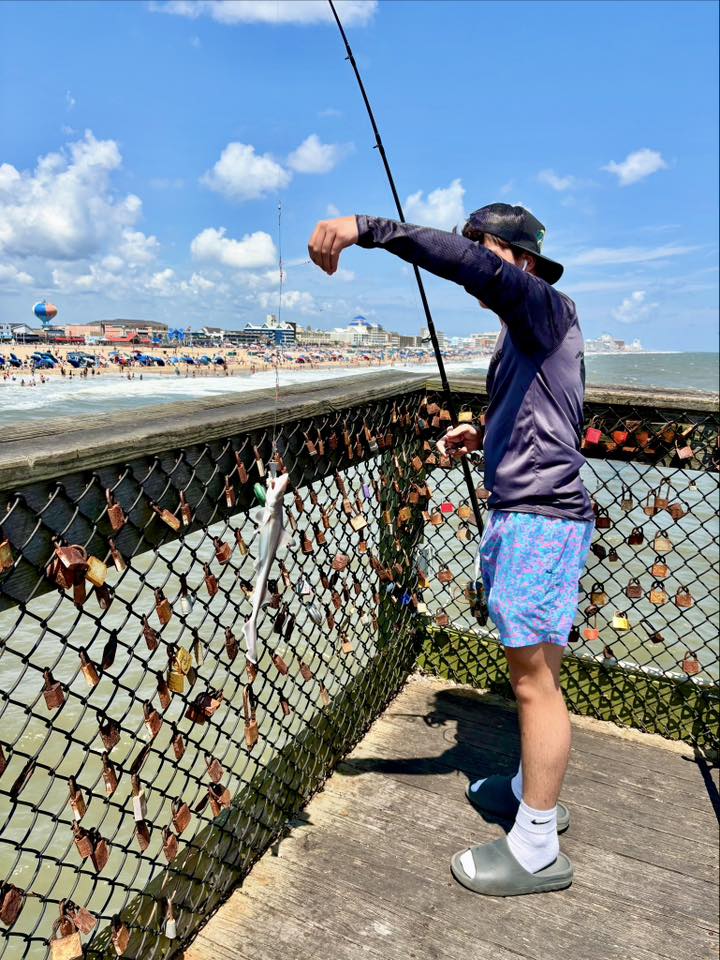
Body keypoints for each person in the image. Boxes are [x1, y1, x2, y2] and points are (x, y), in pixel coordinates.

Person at [308, 203, 594, 897]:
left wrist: (368, 229)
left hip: (539, 518)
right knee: (538, 670)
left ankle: (535, 848)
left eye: (486, 251)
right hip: (532, 514)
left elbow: (466, 267)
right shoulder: (528, 333)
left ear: (520, 263)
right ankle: (532, 791)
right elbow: (540, 411)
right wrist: (484, 432)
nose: (475, 263)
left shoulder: (546, 306)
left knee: (533, 683)